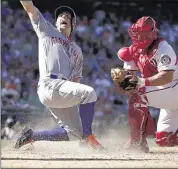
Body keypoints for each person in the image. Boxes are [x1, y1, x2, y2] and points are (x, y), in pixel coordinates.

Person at [14, 0, 104, 151]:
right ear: (55, 22)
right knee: (90, 93)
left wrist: (79, 117)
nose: (64, 16)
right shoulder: (47, 30)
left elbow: (76, 81)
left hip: (62, 90)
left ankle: (30, 136)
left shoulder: (77, 50)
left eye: (68, 16)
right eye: (61, 15)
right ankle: (89, 137)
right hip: (49, 84)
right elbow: (29, 7)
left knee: (75, 133)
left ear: (73, 24)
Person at [115, 16, 178, 152]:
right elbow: (130, 86)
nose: (140, 37)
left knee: (138, 93)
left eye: (144, 34)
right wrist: (123, 82)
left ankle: (137, 143)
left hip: (174, 86)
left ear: (153, 33)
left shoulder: (163, 48)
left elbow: (167, 77)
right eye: (138, 34)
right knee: (165, 140)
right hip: (168, 95)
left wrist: (141, 82)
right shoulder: (132, 51)